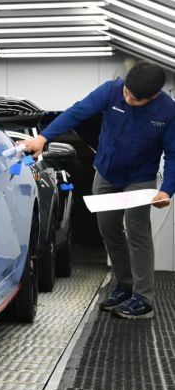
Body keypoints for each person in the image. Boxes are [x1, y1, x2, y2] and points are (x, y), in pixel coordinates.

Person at [22, 61, 175, 320]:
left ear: (153, 96)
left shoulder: (168, 111)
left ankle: (144, 298)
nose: (128, 99)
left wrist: (167, 190)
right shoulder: (111, 91)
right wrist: (43, 137)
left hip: (139, 179)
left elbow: (173, 154)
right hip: (106, 174)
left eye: (135, 99)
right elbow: (76, 112)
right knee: (109, 229)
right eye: (126, 93)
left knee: (137, 231)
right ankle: (124, 286)